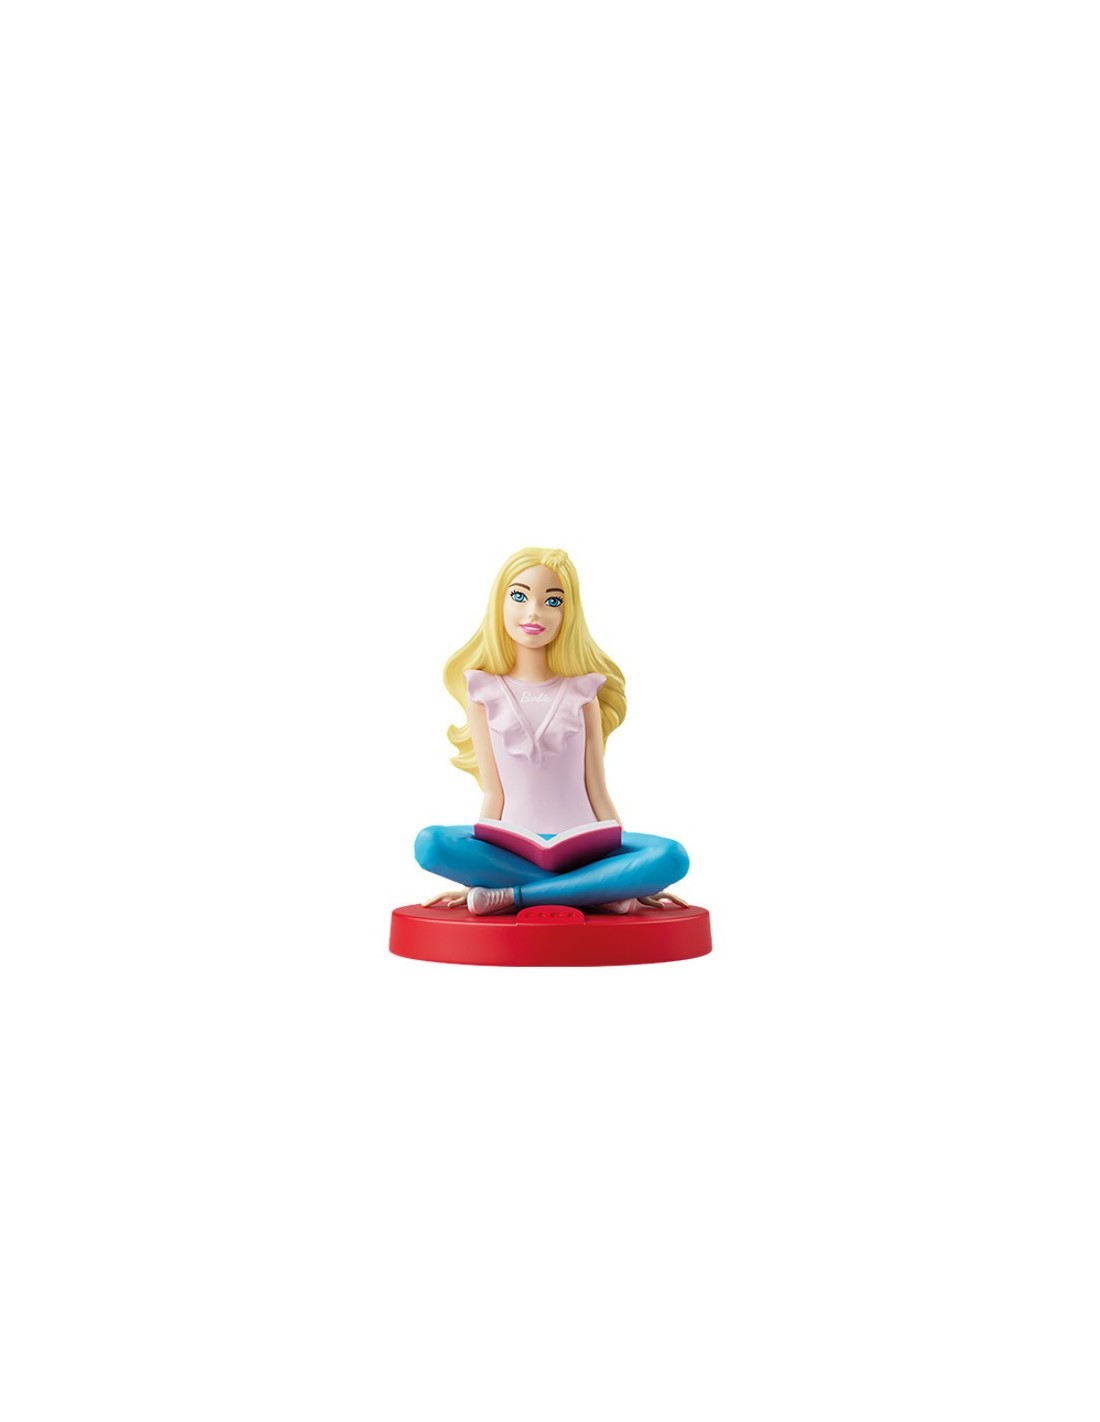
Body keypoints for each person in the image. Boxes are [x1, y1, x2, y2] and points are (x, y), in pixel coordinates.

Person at [415, 547, 691, 916]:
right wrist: (471, 876)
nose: (534, 612)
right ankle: (595, 890)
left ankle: (515, 894)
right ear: (499, 604)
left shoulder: (583, 691)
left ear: (568, 613)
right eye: (519, 596)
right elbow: (494, 792)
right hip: (511, 850)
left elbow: (597, 789)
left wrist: (628, 867)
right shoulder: (482, 690)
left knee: (670, 856)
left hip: (586, 849)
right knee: (431, 843)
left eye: (552, 601)